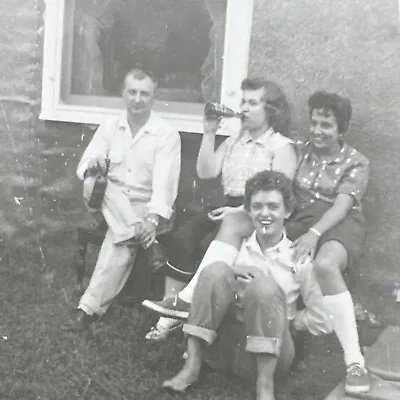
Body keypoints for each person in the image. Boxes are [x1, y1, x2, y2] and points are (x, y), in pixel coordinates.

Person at [148, 91, 371, 394]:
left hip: (337, 223)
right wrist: (241, 208)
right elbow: (273, 192)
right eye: (315, 123)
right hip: (300, 216)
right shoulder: (299, 151)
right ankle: (189, 297)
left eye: (327, 125)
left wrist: (314, 234)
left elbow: (341, 206)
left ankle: (355, 361)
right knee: (233, 223)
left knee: (325, 264)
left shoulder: (356, 161)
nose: (318, 130)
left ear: (341, 129)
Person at [143, 77, 298, 340]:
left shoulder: (282, 147)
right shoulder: (235, 141)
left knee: (226, 224)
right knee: (184, 236)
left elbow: (276, 199)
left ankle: (185, 300)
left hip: (259, 214)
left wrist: (240, 210)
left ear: (270, 109)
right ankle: (170, 315)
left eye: (253, 103)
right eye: (243, 102)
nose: (244, 108)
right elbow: (206, 172)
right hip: (229, 207)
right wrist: (209, 132)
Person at [161, 170, 332, 399]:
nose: (265, 214)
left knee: (264, 287)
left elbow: (322, 321)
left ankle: (265, 386)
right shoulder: (235, 249)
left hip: (273, 356)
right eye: (257, 206)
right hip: (225, 350)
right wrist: (232, 272)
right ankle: (192, 366)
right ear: (248, 211)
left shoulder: (298, 260)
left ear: (287, 211)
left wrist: (287, 320)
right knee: (216, 270)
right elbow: (211, 286)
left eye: (273, 207)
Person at [70, 66, 181, 331]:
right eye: (131, 92)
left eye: (144, 93)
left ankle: (88, 310)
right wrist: (94, 162)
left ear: (154, 97)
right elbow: (83, 167)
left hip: (144, 206)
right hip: (105, 200)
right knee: (94, 180)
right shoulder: (110, 126)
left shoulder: (166, 135)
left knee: (120, 239)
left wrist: (152, 221)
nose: (137, 99)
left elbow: (164, 188)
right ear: (123, 93)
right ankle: (141, 236)